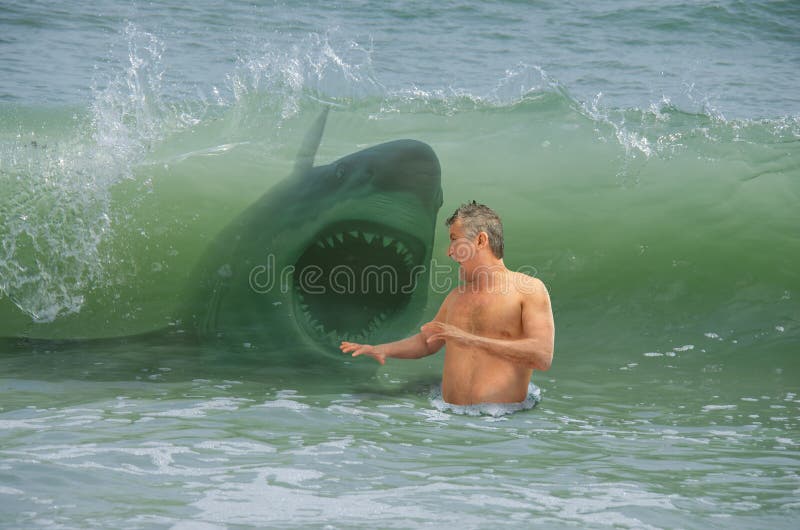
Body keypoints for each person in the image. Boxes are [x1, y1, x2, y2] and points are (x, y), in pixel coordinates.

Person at [340, 201, 555, 405]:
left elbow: (541, 356)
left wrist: (469, 339)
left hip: (500, 428)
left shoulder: (529, 290)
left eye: (455, 240)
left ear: (481, 241)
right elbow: (427, 341)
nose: (450, 251)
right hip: (449, 427)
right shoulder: (456, 297)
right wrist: (382, 349)